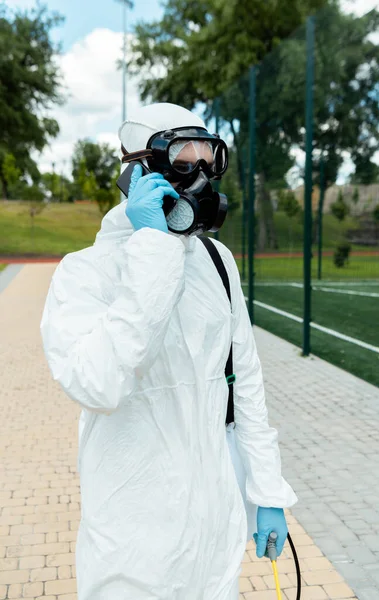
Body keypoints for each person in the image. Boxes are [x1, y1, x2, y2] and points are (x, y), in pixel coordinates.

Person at [41, 102, 297, 600]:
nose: (200, 179)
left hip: (213, 532)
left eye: (209, 163)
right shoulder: (84, 273)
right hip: (132, 545)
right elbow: (99, 383)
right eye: (184, 163)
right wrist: (154, 249)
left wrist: (266, 491)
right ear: (139, 171)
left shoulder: (218, 263)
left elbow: (245, 383)